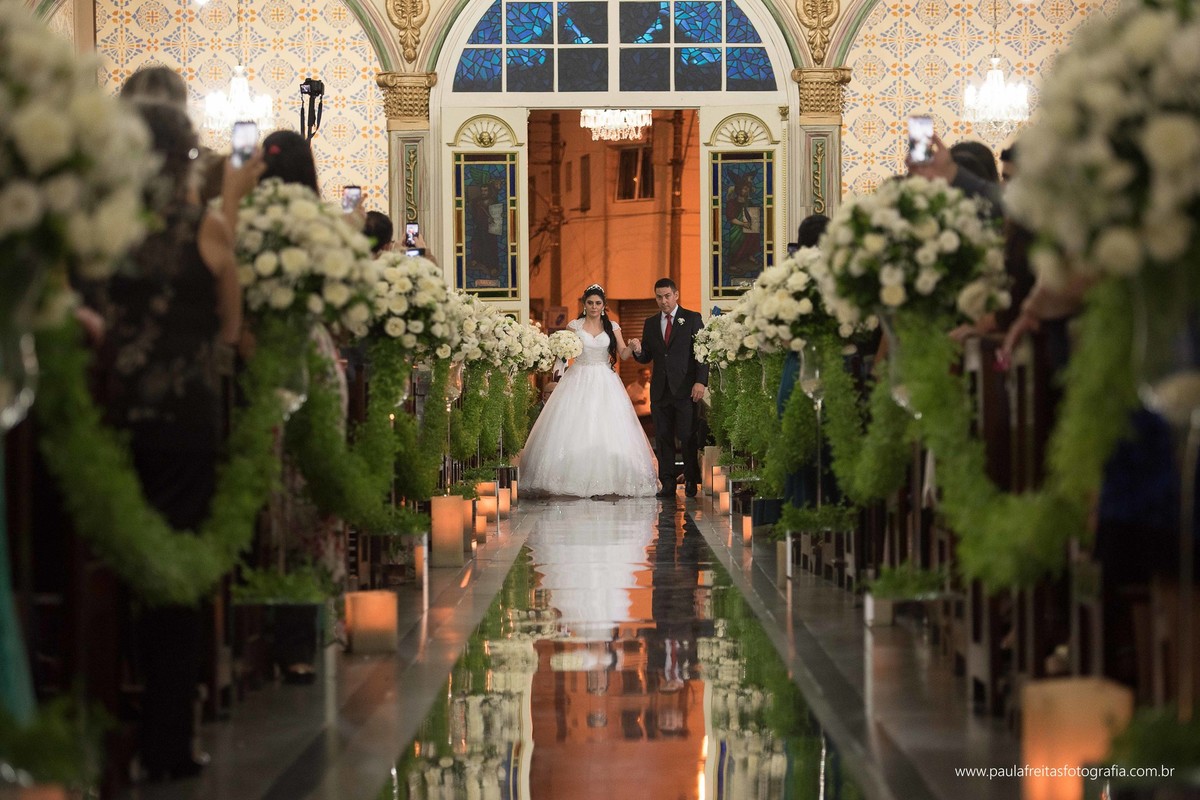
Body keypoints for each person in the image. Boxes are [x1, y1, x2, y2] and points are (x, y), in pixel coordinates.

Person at [102, 101, 259, 782]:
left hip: (113, 416)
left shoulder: (102, 230)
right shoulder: (208, 229)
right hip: (187, 418)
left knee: (111, 564)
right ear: (184, 158)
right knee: (182, 569)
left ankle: (106, 725)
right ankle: (167, 742)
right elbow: (230, 330)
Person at [519, 284, 658, 498]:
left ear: (604, 306)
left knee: (607, 427)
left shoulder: (612, 326)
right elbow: (565, 352)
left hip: (604, 378)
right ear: (584, 304)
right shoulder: (574, 325)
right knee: (576, 424)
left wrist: (633, 346)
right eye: (590, 303)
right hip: (579, 376)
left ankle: (612, 479)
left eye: (598, 303)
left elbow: (623, 353)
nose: (594, 306)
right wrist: (560, 358)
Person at [631, 278, 709, 498]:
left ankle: (692, 478)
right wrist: (638, 350)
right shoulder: (651, 323)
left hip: (686, 389)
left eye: (667, 296)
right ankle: (667, 483)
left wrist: (701, 381)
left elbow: (701, 353)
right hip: (660, 391)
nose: (663, 301)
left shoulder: (692, 319)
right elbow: (647, 356)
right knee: (663, 437)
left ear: (676, 295)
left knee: (687, 436)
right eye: (659, 297)